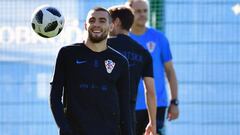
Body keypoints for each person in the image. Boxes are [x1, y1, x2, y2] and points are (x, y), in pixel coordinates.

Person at [50, 7, 132, 135]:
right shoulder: (67, 54)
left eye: (102, 20)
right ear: (85, 25)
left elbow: (125, 106)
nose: (96, 24)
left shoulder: (120, 61)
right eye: (92, 20)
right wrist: (65, 128)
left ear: (111, 26)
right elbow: (55, 96)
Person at [127, 0, 180, 135]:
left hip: (157, 103)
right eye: (138, 11)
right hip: (130, 104)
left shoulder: (159, 38)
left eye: (145, 11)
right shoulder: (123, 39)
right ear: (129, 13)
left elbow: (170, 71)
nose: (142, 14)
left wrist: (174, 101)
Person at [107, 6, 157, 135]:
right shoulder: (143, 53)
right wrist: (153, 123)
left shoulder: (103, 46)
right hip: (128, 118)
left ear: (116, 22)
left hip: (101, 114)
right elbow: (150, 91)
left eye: (107, 21)